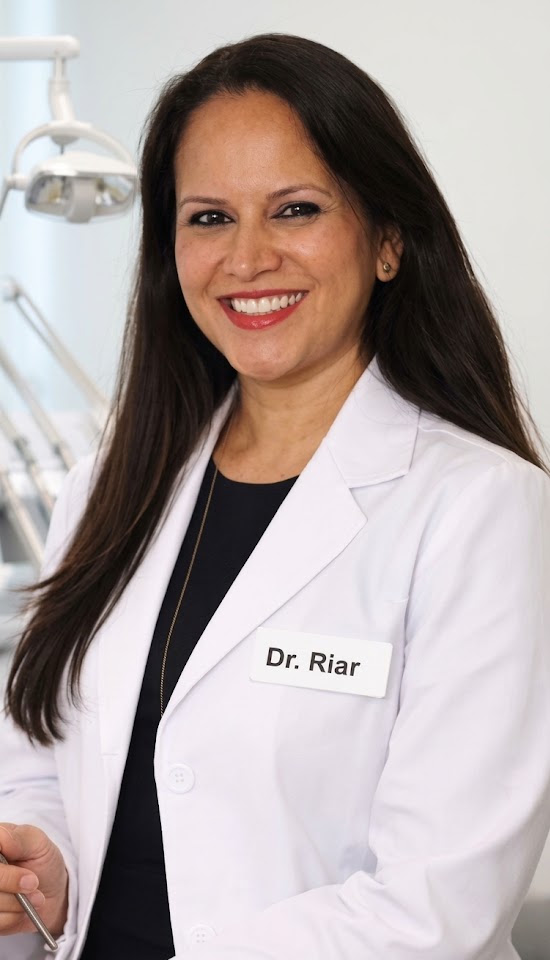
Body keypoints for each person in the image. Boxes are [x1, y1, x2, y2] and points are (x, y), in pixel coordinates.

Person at [1, 31, 549, 960]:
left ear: (387, 241)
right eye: (209, 218)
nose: (247, 258)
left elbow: (433, 907)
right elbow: (43, 758)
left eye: (295, 210)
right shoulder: (110, 486)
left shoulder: (480, 508)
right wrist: (46, 862)